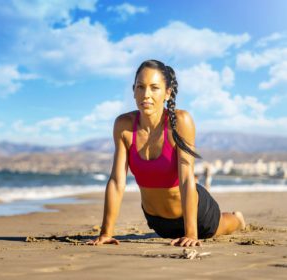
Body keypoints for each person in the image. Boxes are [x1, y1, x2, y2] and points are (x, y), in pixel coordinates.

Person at [88, 59, 245, 247]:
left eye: (154, 88)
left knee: (225, 225)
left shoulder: (180, 122)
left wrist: (192, 234)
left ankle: (238, 218)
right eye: (140, 87)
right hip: (158, 223)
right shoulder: (124, 126)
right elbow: (116, 180)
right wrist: (106, 232)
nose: (146, 95)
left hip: (195, 214)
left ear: (167, 93)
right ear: (134, 90)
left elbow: (187, 179)